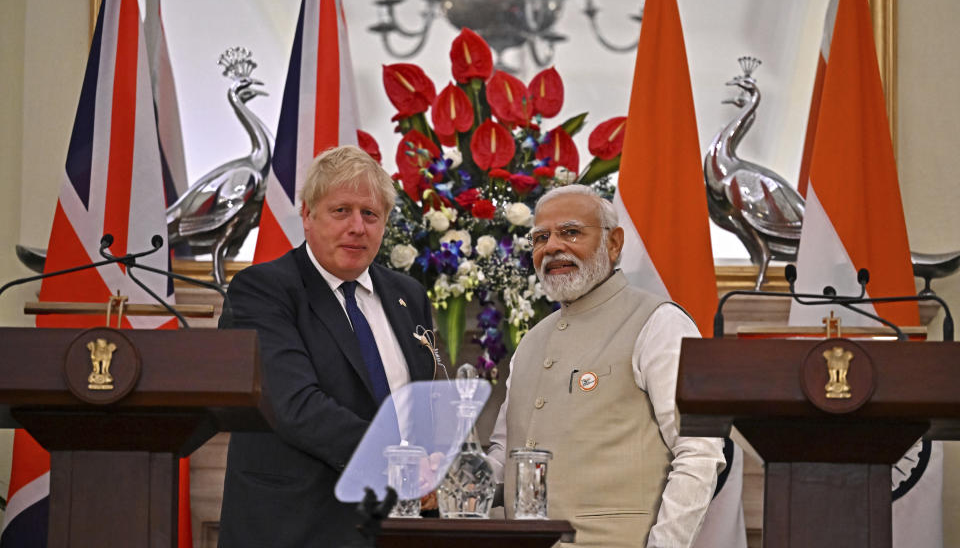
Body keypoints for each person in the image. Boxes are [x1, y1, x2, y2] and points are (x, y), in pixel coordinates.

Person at [218, 146, 437, 548]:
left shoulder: (409, 295)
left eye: (370, 214)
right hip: (295, 528)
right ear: (307, 215)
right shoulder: (262, 290)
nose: (358, 226)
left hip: (396, 530)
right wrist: (401, 460)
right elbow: (295, 406)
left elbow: (423, 402)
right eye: (341, 211)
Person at [488, 184, 725, 548]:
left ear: (613, 243)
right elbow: (502, 458)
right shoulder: (531, 341)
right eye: (540, 237)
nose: (552, 247)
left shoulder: (660, 323)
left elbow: (700, 453)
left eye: (570, 232)